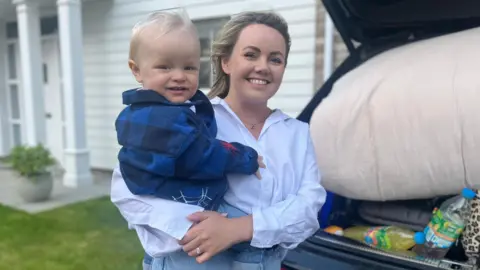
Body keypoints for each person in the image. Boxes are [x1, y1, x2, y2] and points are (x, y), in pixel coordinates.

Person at [111, 10, 326, 270]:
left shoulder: (297, 133)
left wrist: (239, 228)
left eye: (276, 59)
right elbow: (127, 190)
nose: (262, 66)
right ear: (226, 62)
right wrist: (192, 229)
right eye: (250, 54)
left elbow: (308, 209)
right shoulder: (190, 118)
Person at [115, 10, 265, 212]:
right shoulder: (160, 119)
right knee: (246, 229)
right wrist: (247, 157)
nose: (179, 76)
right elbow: (203, 155)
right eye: (164, 67)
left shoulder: (142, 110)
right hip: (182, 204)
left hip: (165, 196)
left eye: (189, 67)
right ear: (136, 70)